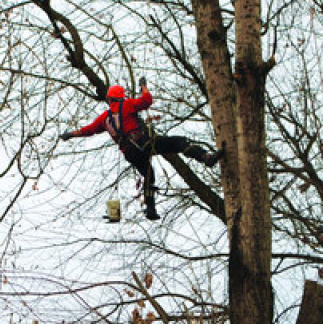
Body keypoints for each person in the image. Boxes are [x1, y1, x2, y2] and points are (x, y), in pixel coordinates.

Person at [60, 78, 222, 221]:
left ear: (109, 98)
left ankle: (150, 209)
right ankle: (205, 158)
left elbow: (88, 130)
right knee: (178, 142)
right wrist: (143, 86)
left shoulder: (104, 118)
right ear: (120, 97)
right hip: (141, 143)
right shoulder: (127, 104)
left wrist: (71, 134)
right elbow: (147, 101)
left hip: (130, 153)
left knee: (149, 175)